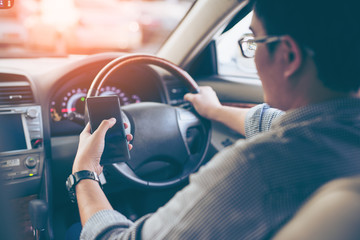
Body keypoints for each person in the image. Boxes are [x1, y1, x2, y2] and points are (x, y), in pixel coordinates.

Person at [69, 0, 360, 239]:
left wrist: (84, 172)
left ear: (288, 55)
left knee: (72, 230)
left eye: (254, 41)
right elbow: (280, 123)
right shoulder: (340, 131)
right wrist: (215, 111)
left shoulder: (257, 168)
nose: (254, 55)